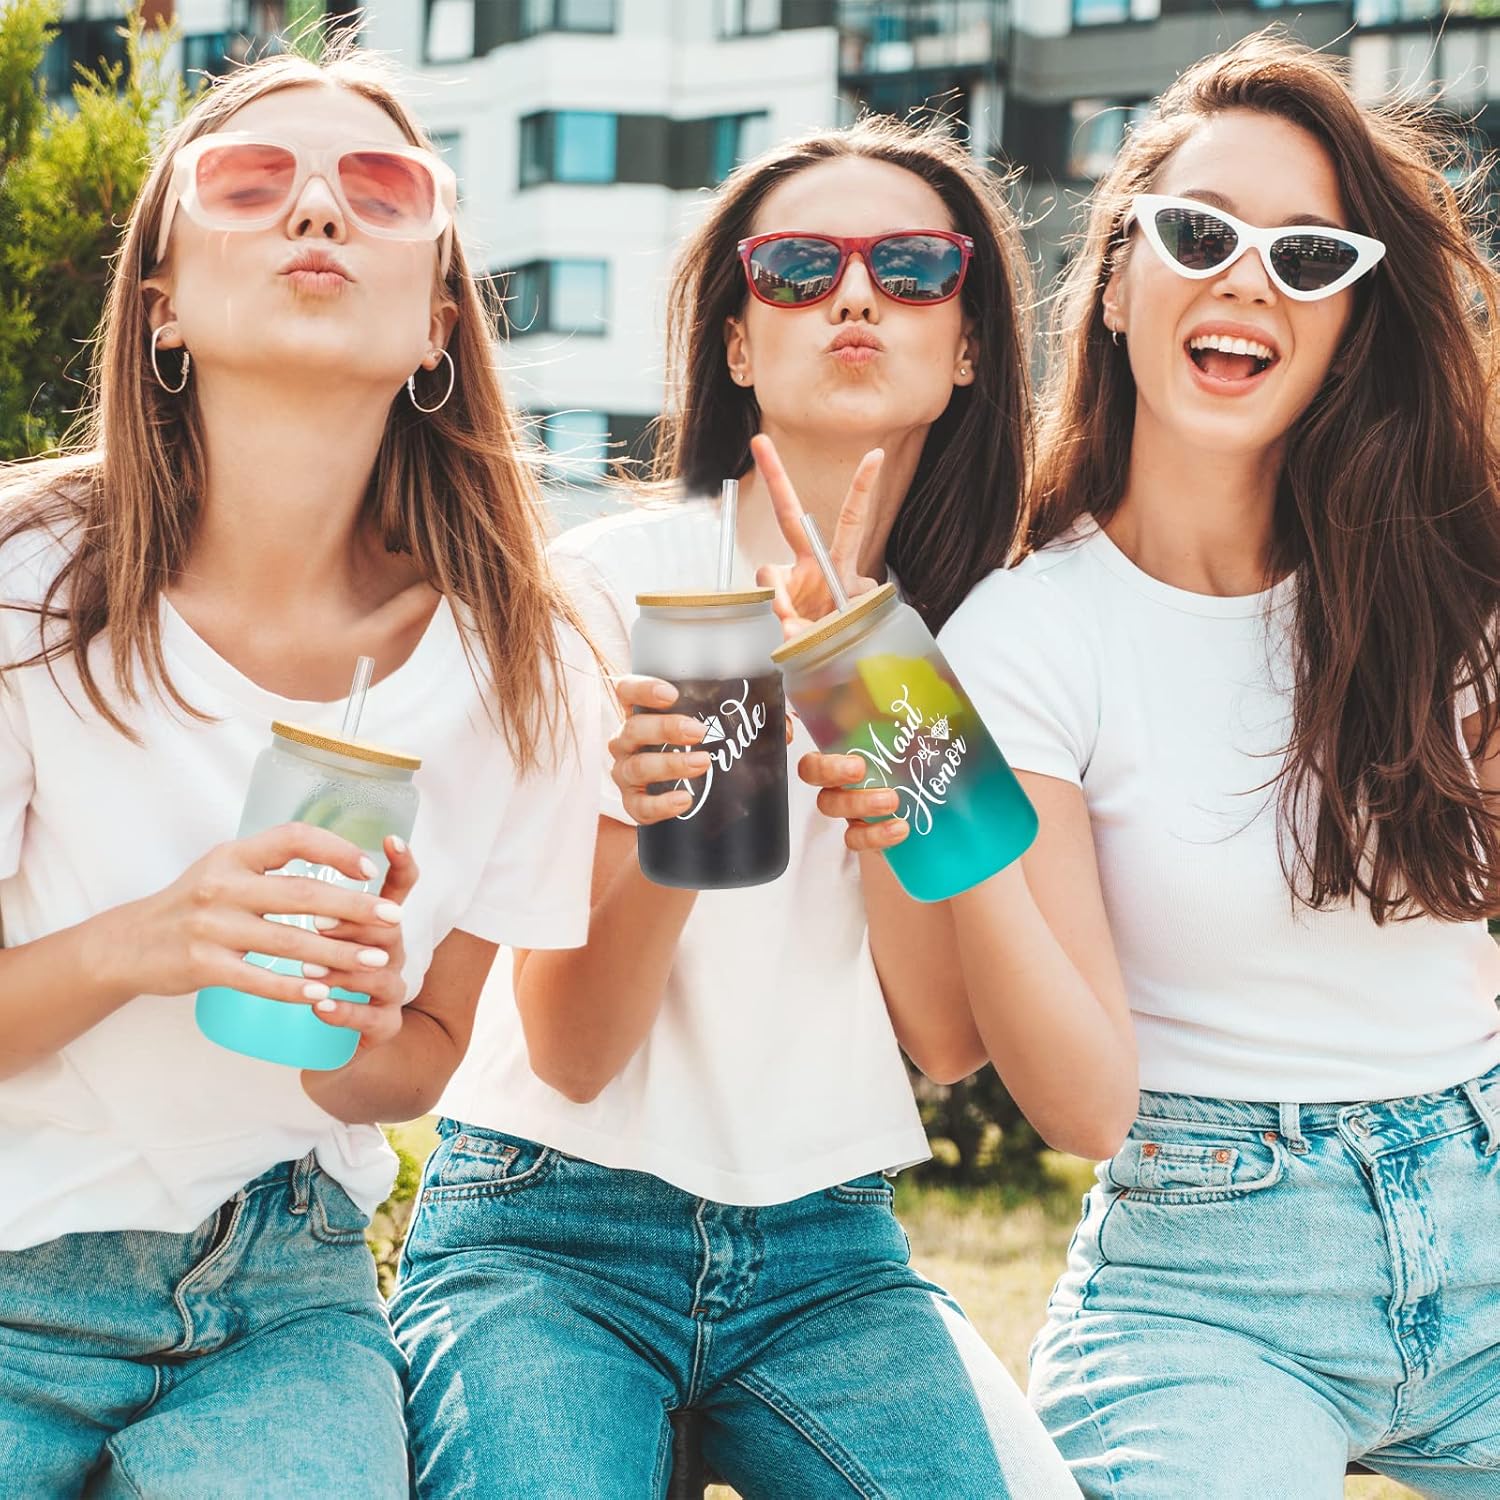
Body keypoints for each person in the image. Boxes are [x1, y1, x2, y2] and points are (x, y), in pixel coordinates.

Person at [392, 116, 1081, 1498]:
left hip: (828, 1250)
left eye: (913, 265)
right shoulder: (607, 593)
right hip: (548, 1224)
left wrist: (875, 703)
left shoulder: (990, 640)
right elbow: (574, 1057)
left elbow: (940, 1039)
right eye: (796, 265)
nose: (853, 294)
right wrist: (666, 840)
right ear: (736, 342)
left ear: (968, 346)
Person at [856, 31, 1498, 1497]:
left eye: (1309, 257)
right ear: (1122, 274)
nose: (1247, 280)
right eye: (1202, 235)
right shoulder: (1026, 637)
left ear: (1352, 315)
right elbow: (1079, 1107)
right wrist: (907, 759)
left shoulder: (1450, 583)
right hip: (1210, 1278)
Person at [0, 42, 599, 1497]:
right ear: (166, 305)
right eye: (251, 182)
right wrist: (151, 941)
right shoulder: (25, 579)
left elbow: (423, 1062)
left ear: (440, 314)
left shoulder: (523, 659)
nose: (317, 211)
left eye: (380, 187)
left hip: (289, 1297)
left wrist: (358, 1021)